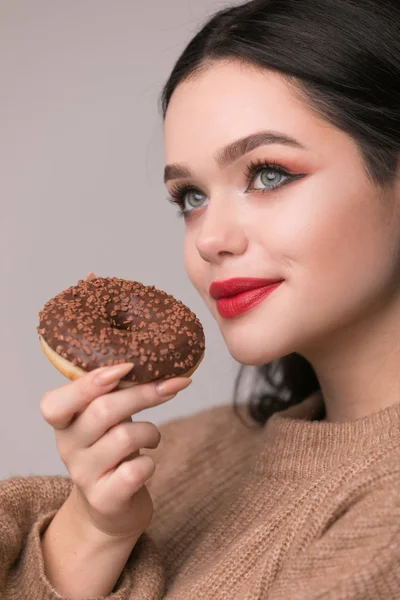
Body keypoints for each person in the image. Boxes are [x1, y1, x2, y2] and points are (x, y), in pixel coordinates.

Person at [2, 0, 400, 597]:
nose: (211, 239)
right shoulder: (173, 456)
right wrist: (95, 533)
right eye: (190, 196)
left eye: (268, 174)